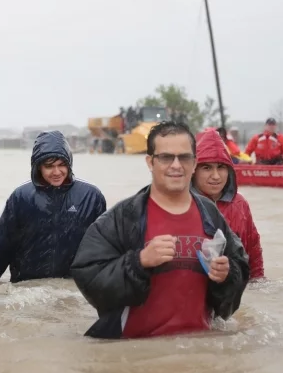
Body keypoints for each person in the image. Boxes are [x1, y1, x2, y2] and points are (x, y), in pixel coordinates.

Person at [70, 121, 250, 340]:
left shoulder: (211, 216)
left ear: (194, 163)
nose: (176, 165)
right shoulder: (124, 217)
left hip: (200, 352)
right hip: (135, 354)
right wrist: (138, 261)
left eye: (184, 157)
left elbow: (240, 269)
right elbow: (87, 276)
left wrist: (226, 276)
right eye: (166, 157)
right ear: (150, 162)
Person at [0, 131, 107, 283]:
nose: (57, 172)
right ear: (38, 167)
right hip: (28, 291)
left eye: (62, 165)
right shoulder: (21, 197)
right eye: (49, 166)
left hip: (75, 290)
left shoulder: (91, 196)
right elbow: (1, 248)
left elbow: (104, 249)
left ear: (69, 163)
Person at [192, 128, 264, 281]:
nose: (216, 176)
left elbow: (253, 248)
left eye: (221, 167)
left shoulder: (240, 203)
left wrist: (258, 280)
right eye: (206, 168)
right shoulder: (181, 203)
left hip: (234, 286)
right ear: (193, 170)